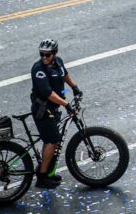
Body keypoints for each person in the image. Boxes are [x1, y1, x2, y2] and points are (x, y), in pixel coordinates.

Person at [30, 39, 81, 189]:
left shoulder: (58, 62)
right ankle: (42, 177)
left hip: (52, 110)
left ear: (55, 53)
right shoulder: (38, 69)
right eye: (41, 54)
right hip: (43, 110)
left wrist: (74, 87)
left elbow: (64, 74)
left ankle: (45, 169)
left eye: (47, 55)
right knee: (52, 141)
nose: (44, 57)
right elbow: (48, 93)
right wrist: (66, 104)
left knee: (53, 140)